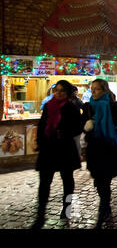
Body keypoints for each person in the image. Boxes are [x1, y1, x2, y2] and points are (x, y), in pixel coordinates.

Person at [32, 80, 82, 229]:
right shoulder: (48, 106)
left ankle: (67, 208)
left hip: (64, 148)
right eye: (56, 90)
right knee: (44, 183)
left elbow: (78, 128)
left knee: (67, 180)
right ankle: (40, 215)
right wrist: (39, 142)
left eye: (62, 91)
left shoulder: (71, 108)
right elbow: (42, 125)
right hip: (48, 149)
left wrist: (64, 132)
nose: (58, 93)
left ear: (67, 93)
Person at [81, 79, 117, 228]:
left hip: (108, 149)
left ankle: (100, 219)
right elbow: (82, 125)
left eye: (97, 89)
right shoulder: (88, 107)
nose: (93, 92)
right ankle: (106, 207)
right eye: (92, 89)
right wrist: (86, 127)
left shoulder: (112, 106)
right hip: (94, 150)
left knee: (104, 184)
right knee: (100, 184)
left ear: (104, 90)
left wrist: (112, 134)